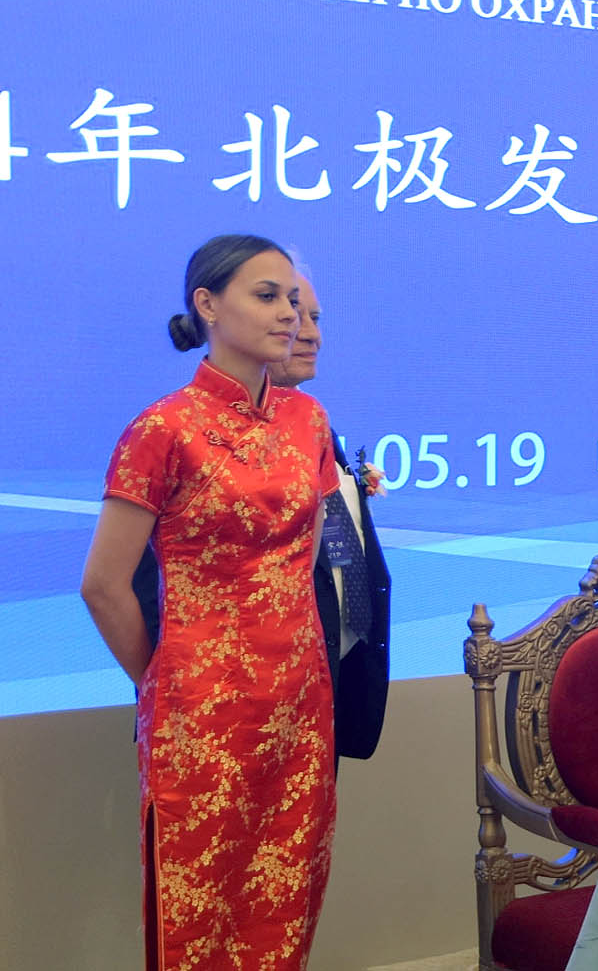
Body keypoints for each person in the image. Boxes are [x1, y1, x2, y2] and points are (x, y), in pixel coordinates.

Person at [80, 235, 340, 969]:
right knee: (199, 905)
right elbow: (103, 583)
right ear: (208, 305)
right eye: (267, 296)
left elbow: (304, 558)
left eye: (293, 299)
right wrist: (163, 682)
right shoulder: (162, 429)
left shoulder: (308, 420)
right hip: (201, 711)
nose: (289, 314)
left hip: (300, 703)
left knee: (287, 892)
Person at [130, 260, 391, 761]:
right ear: (213, 309)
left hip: (313, 691)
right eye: (278, 303)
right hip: (213, 709)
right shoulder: (176, 432)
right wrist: (176, 687)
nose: (304, 330)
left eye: (313, 316)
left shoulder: (314, 424)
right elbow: (143, 583)